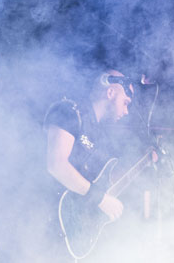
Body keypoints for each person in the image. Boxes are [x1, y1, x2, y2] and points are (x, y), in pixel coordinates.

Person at [43, 69, 134, 256]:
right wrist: (100, 198)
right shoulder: (69, 111)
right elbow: (56, 165)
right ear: (110, 93)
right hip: (43, 219)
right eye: (125, 103)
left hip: (67, 230)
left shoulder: (99, 134)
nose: (126, 111)